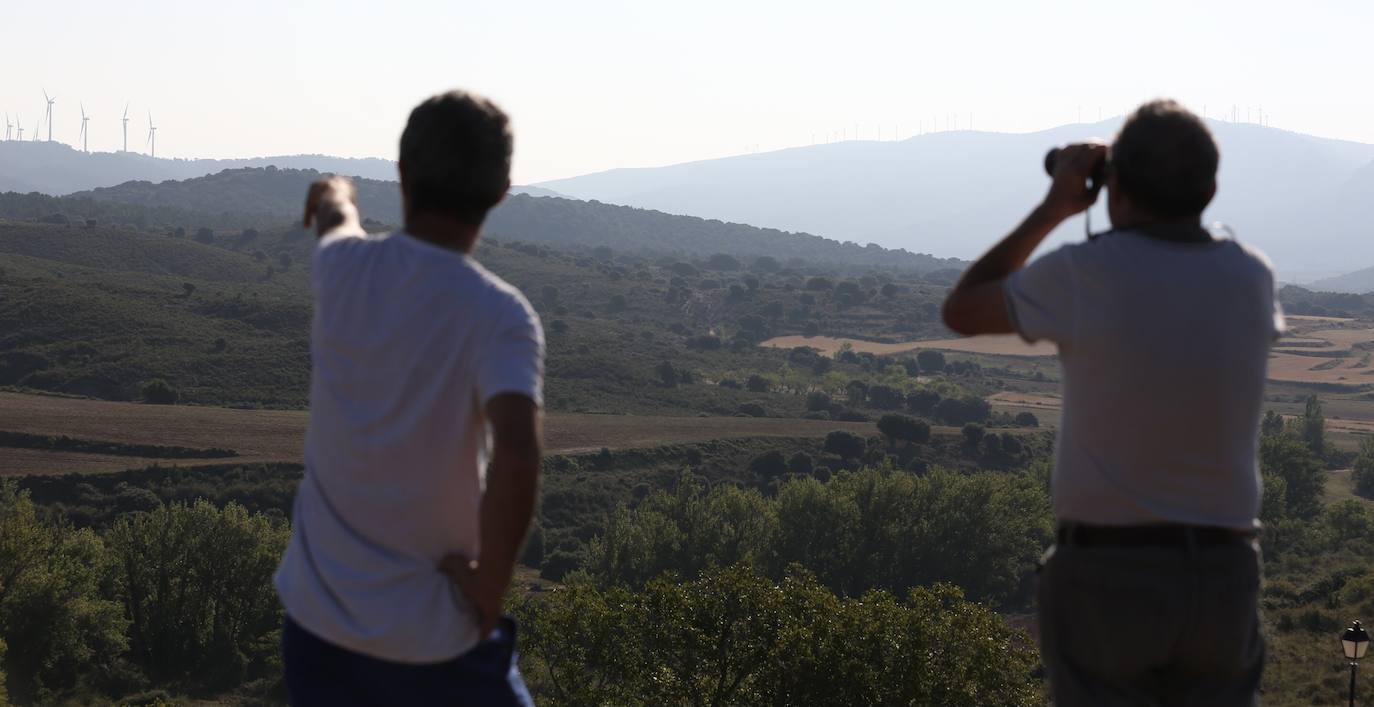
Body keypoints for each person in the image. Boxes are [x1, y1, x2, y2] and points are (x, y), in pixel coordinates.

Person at [942, 99, 1282, 706]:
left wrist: (1056, 207)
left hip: (1110, 573)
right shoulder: (1251, 276)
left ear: (1114, 187)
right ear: (1209, 187)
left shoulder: (1086, 274)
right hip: (1224, 575)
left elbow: (963, 308)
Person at [275, 90, 543, 706]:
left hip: (319, 629)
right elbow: (519, 457)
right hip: (438, 640)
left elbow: (337, 224)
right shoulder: (502, 316)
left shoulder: (342, 269)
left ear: (402, 173)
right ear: (501, 188)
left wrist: (336, 191)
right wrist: (489, 589)